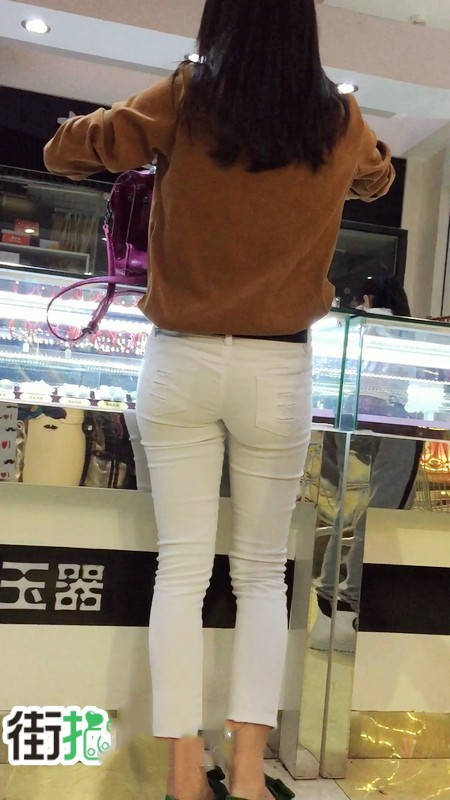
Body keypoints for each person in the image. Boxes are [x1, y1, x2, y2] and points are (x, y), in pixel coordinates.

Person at [43, 2, 394, 799]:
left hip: (181, 361)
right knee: (263, 575)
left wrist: (85, 130)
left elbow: (70, 150)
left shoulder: (187, 97)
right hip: (278, 369)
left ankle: (183, 780)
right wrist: (356, 157)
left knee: (181, 569)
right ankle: (246, 774)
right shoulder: (337, 118)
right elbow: (377, 175)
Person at [310, 275, 423, 652]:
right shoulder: (404, 332)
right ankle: (353, 603)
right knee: (380, 516)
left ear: (367, 297)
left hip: (343, 422)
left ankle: (328, 600)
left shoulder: (347, 328)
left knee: (343, 511)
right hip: (396, 426)